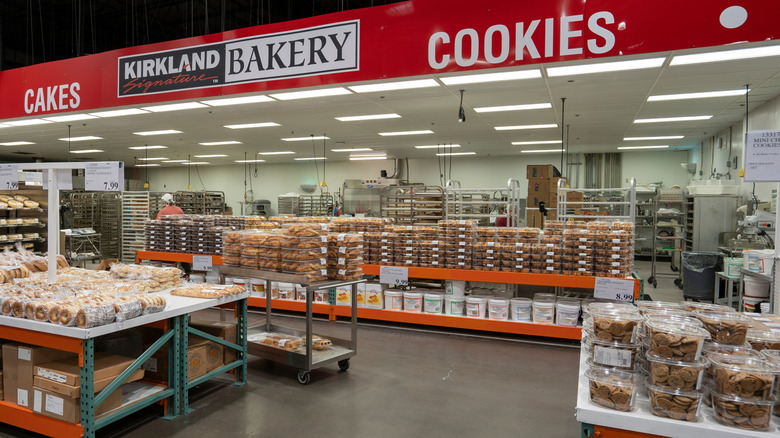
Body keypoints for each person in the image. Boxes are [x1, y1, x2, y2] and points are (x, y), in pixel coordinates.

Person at [155, 194, 190, 276]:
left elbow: (157, 224)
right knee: (182, 256)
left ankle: (169, 273)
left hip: (166, 239)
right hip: (179, 237)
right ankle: (188, 272)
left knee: (168, 257)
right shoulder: (179, 210)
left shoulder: (162, 211)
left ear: (164, 202)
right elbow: (183, 222)